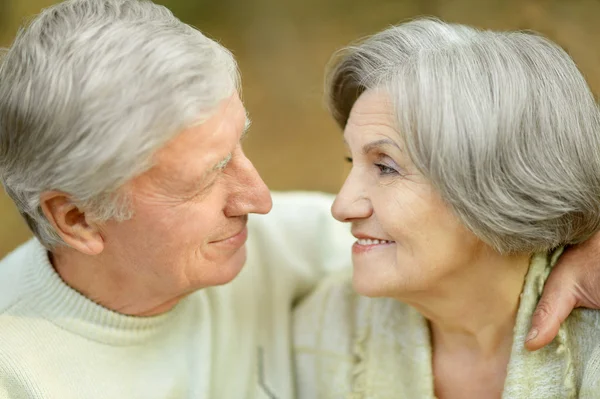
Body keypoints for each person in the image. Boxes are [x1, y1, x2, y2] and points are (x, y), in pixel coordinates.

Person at [0, 1, 597, 397]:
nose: (259, 200)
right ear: (77, 219)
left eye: (240, 147)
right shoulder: (17, 366)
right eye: (208, 175)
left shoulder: (280, 246)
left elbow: (517, 186)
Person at [293, 19, 600, 398]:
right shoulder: (324, 328)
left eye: (385, 167)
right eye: (350, 161)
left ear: (498, 182)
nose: (342, 206)